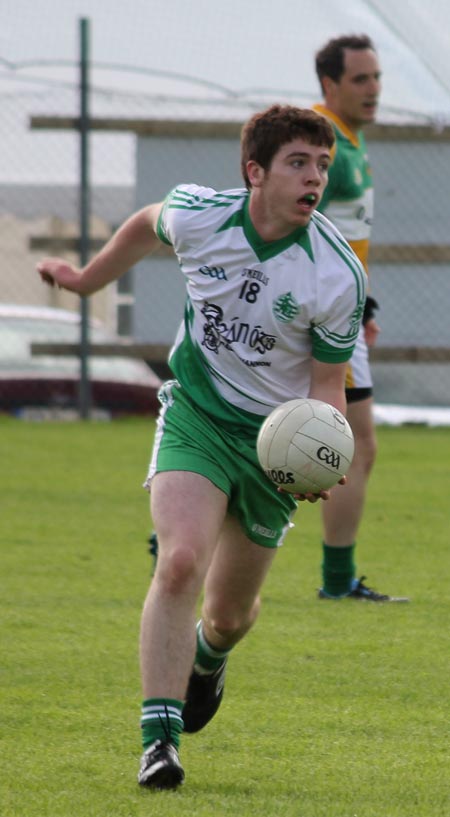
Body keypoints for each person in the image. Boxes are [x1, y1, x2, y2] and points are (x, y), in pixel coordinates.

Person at [37, 105, 367, 790]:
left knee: (228, 614)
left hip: (273, 447)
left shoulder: (334, 274)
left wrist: (322, 455)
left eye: (323, 166)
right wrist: (86, 281)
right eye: (299, 163)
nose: (315, 178)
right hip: (196, 415)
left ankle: (208, 657)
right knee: (180, 558)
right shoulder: (200, 215)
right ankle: (159, 740)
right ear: (256, 171)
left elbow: (326, 388)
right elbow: (142, 224)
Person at [313, 34, 409, 602]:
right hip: (327, 316)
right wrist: (344, 306)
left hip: (346, 309)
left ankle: (171, 528)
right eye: (361, 79)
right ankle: (336, 583)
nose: (374, 90)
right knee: (354, 445)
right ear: (330, 85)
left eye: (377, 79)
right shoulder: (329, 145)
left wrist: (365, 302)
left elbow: (343, 238)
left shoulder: (349, 143)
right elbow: (303, 230)